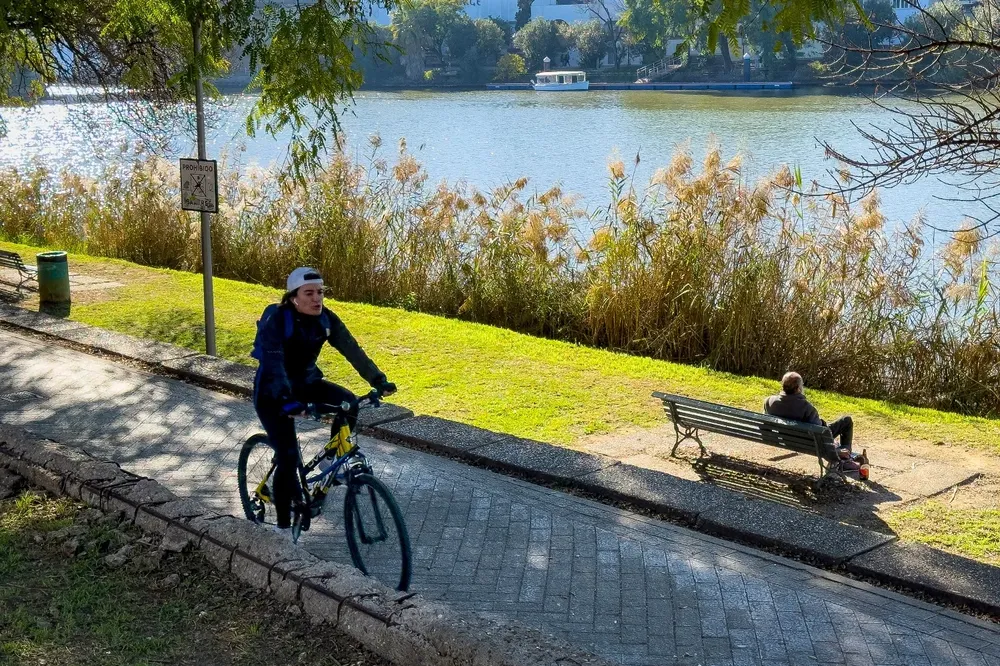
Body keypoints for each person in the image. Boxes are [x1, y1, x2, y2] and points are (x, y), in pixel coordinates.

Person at [252, 267, 396, 539]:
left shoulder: (326, 320)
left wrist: (377, 380)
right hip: (273, 394)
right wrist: (287, 401)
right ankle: (282, 528)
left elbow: (352, 349)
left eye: (320, 292)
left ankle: (328, 460)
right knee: (288, 457)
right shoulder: (278, 321)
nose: (317, 299)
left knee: (349, 403)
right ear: (294, 297)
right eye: (309, 293)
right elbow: (273, 365)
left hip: (307, 384)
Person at [764, 371, 853, 451]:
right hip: (807, 443)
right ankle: (846, 453)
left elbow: (765, 425)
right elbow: (820, 432)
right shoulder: (806, 408)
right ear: (798, 389)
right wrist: (823, 423)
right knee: (846, 420)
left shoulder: (769, 401)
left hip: (786, 440)